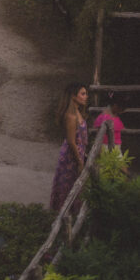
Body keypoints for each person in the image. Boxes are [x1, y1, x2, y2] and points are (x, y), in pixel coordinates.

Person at [50, 82, 88, 212]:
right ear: (73, 96)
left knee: (76, 186)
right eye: (82, 94)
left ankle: (73, 213)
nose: (86, 96)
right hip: (71, 156)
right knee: (68, 186)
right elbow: (72, 141)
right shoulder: (71, 116)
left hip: (79, 153)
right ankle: (64, 215)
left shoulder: (78, 112)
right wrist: (79, 161)